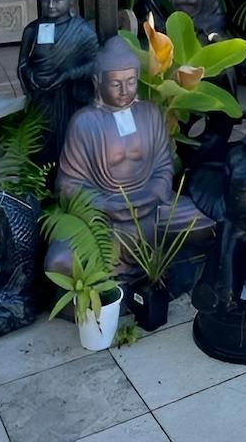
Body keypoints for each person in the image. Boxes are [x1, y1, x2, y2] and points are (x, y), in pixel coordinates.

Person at [45, 37, 213, 279]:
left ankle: (167, 272)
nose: (125, 91)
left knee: (206, 220)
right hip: (104, 217)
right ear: (97, 82)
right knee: (60, 260)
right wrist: (104, 205)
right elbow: (67, 185)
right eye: (115, 84)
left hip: (152, 207)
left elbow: (164, 166)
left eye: (131, 82)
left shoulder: (150, 113)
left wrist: (153, 192)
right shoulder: (84, 123)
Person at [17, 0, 98, 164]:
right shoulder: (32, 29)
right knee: (40, 144)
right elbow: (22, 64)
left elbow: (97, 63)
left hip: (69, 97)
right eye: (45, 0)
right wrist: (31, 76)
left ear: (70, 1)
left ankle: (69, 181)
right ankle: (39, 182)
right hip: (41, 97)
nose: (51, 5)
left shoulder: (82, 31)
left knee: (68, 142)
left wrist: (68, 75)